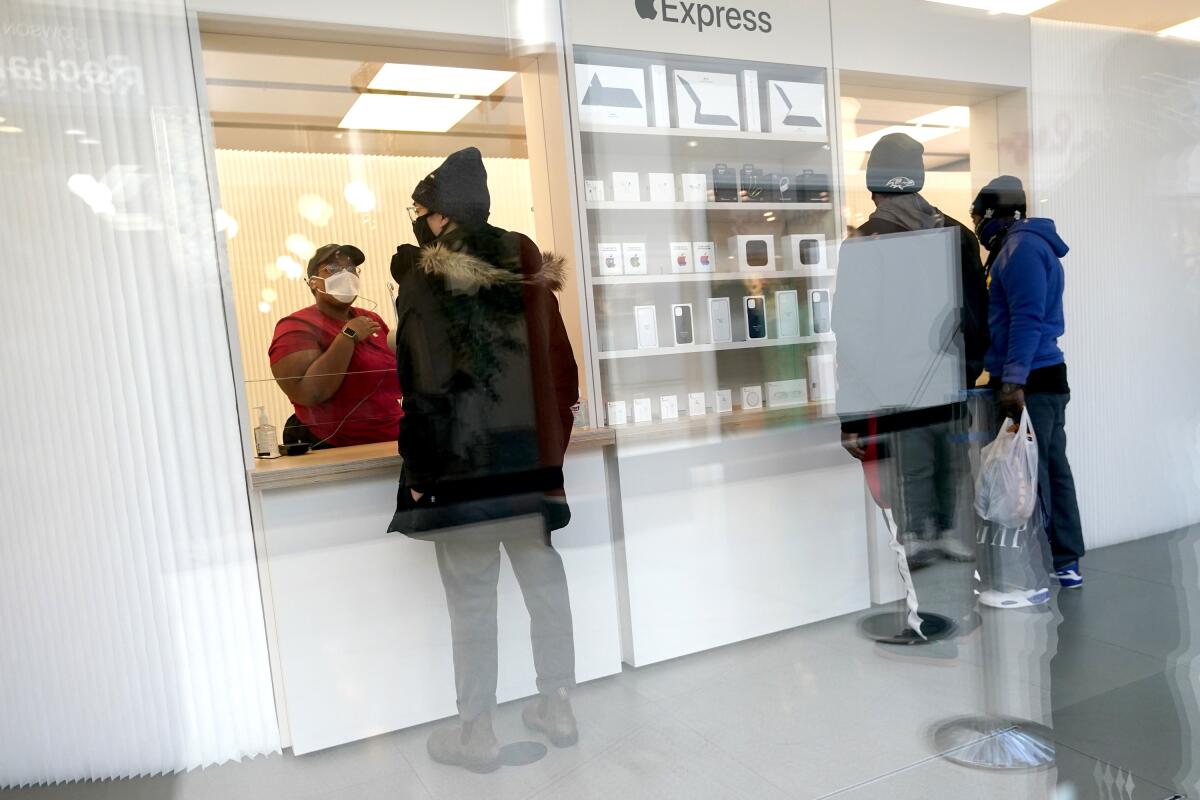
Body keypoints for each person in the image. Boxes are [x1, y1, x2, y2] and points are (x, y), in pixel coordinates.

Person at [386, 147, 580, 773]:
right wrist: (548, 454)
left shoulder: (424, 280)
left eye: (421, 209)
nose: (419, 220)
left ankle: (477, 734)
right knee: (546, 584)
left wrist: (419, 475)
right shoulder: (526, 267)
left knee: (472, 600)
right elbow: (563, 376)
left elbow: (423, 386)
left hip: (463, 470)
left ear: (441, 214)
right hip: (530, 467)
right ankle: (558, 706)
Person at [840, 132, 990, 568]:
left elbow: (852, 331)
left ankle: (920, 537)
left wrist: (853, 415)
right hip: (950, 382)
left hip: (898, 389)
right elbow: (978, 317)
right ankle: (949, 531)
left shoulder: (867, 241)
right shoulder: (958, 235)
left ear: (875, 188)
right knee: (954, 460)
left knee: (913, 466)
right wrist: (965, 370)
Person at [972, 175, 1084, 590]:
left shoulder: (1020, 250)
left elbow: (1026, 318)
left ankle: (1048, 563)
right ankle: (1063, 562)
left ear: (994, 214)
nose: (978, 227)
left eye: (978, 216)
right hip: (1036, 376)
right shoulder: (1019, 247)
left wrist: (1012, 383)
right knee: (1045, 470)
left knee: (1031, 474)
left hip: (1032, 380)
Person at [269, 244, 402, 449]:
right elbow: (309, 393)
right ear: (313, 283)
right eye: (332, 269)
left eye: (351, 270)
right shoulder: (296, 326)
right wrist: (347, 336)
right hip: (336, 447)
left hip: (392, 440)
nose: (345, 275)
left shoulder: (370, 318)